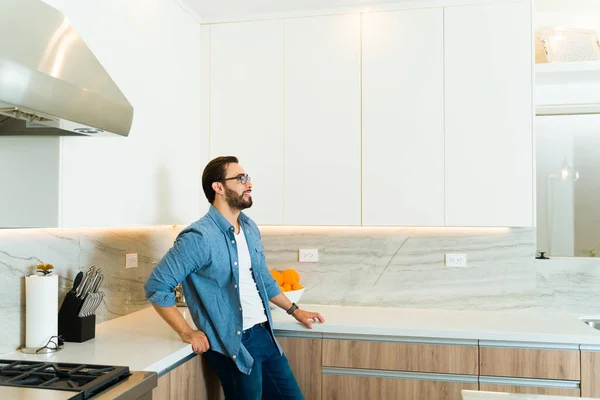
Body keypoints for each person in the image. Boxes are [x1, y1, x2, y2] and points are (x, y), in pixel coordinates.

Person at [144, 156, 325, 400]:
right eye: (240, 179)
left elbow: (263, 279)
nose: (248, 184)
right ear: (218, 187)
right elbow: (157, 286)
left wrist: (294, 310)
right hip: (234, 343)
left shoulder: (248, 227)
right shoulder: (199, 237)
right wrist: (187, 332)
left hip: (264, 333)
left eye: (247, 178)